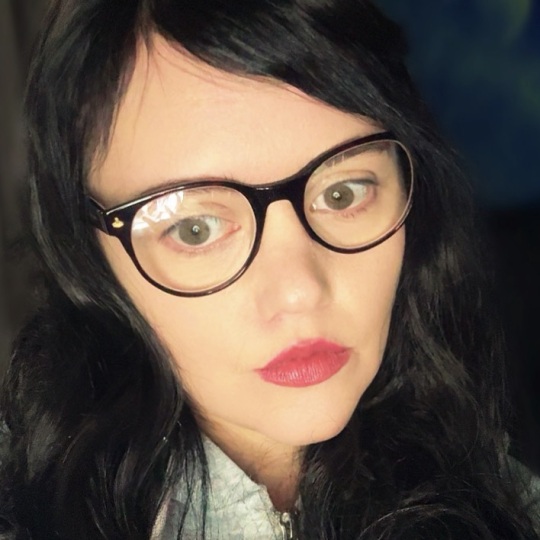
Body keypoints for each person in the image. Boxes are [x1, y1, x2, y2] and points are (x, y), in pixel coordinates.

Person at [0, 0, 538, 538]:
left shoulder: (507, 503)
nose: (300, 290)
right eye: (195, 228)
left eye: (343, 193)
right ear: (86, 254)